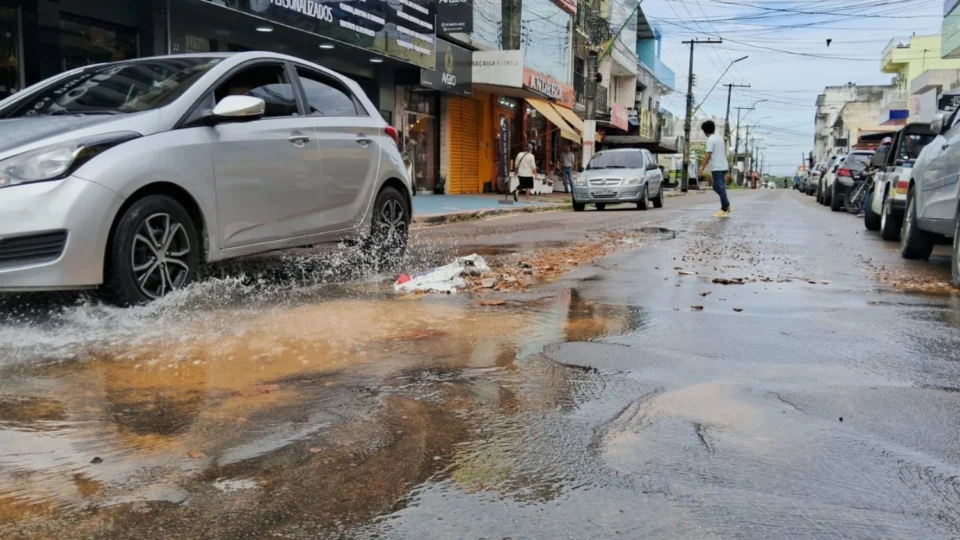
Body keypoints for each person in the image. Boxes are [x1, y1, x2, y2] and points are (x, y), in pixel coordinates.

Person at [698, 120, 731, 217]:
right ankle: (727, 205)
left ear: (704, 131)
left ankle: (724, 209)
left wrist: (702, 167)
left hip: (718, 167)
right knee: (716, 187)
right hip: (722, 166)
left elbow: (708, 154)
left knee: (720, 188)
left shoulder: (710, 140)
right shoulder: (719, 138)